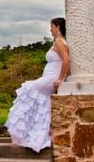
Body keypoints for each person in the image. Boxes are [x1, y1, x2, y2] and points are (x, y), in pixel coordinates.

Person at [5, 17, 70, 152]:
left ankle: (28, 132)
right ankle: (36, 135)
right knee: (42, 104)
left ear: (57, 27)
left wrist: (60, 79)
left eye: (51, 27)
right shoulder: (60, 41)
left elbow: (66, 60)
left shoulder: (59, 41)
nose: (50, 29)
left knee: (28, 89)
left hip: (51, 78)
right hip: (49, 77)